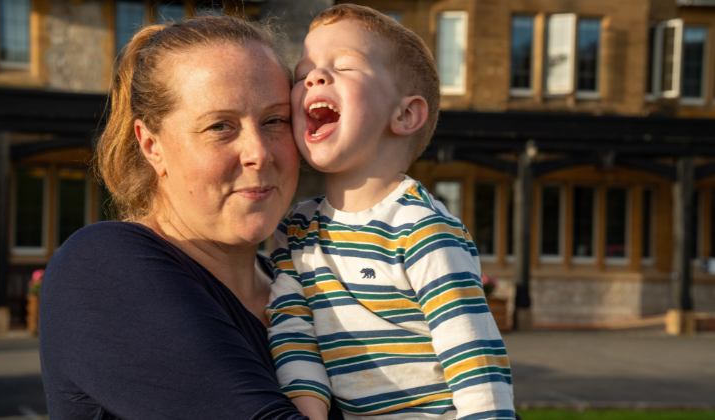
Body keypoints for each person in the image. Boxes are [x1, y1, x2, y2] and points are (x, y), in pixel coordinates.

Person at [39, 16, 338, 420]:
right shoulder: (103, 268)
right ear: (151, 144)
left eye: (275, 121)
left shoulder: (304, 288)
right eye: (220, 126)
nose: (259, 153)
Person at [266, 5, 516, 420]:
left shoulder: (422, 230)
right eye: (302, 74)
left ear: (404, 114)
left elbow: (473, 357)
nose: (313, 77)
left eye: (343, 66)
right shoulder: (296, 230)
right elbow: (293, 332)